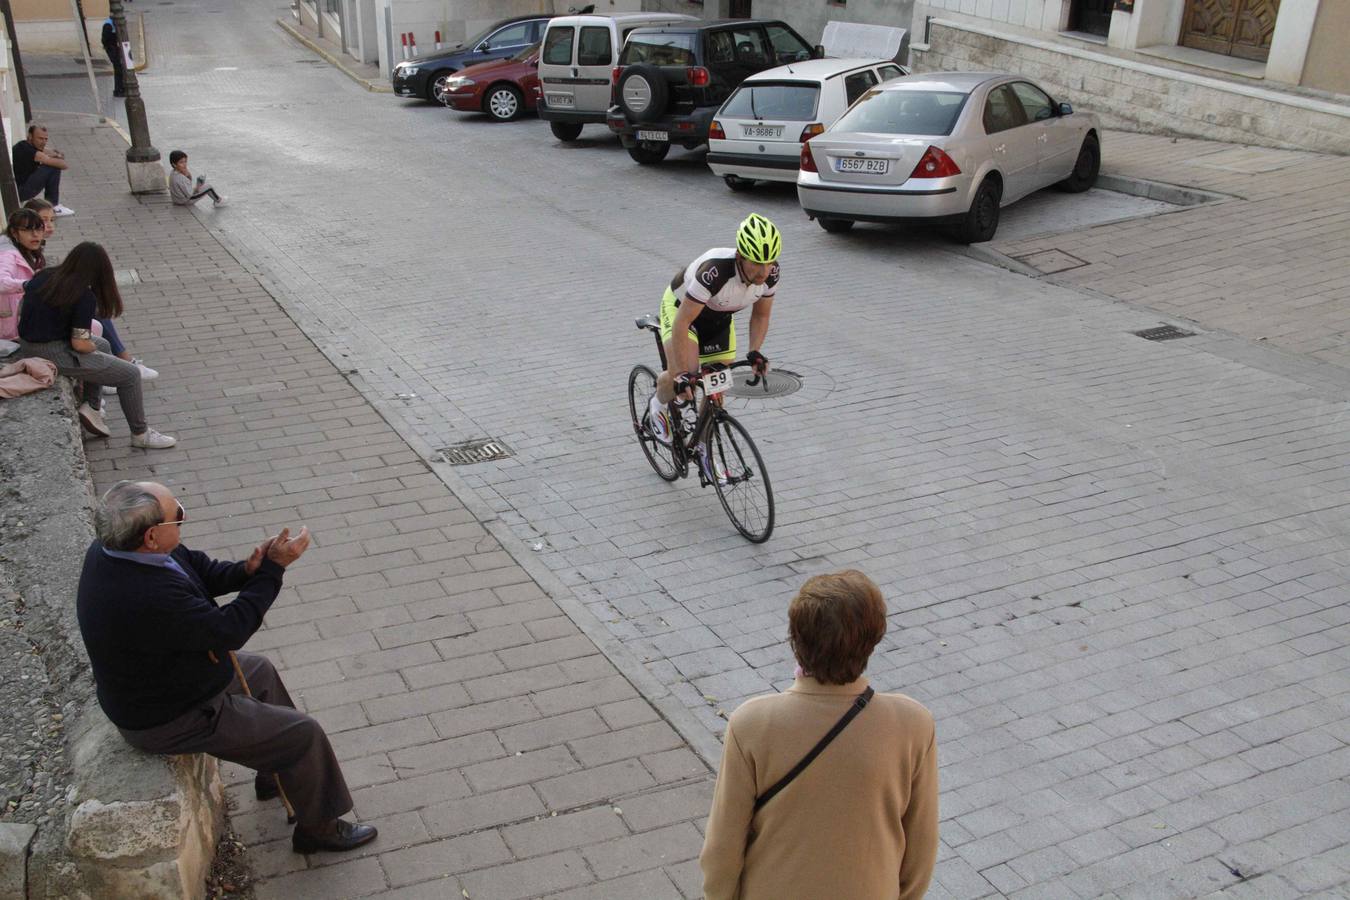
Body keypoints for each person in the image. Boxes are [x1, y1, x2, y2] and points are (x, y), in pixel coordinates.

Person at [77, 481, 378, 855]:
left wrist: (247, 570)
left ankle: (276, 772)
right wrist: (273, 571)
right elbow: (228, 630)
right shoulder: (144, 594)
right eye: (179, 516)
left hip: (176, 677)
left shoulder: (120, 549)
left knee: (261, 672)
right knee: (304, 734)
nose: (183, 521)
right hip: (170, 714)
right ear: (152, 535)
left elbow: (196, 571)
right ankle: (318, 829)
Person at [699, 570, 939, 900]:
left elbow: (722, 850)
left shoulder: (751, 724)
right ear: (873, 639)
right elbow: (921, 850)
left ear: (796, 640)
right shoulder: (913, 724)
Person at [16, 241, 175, 448]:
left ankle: (92, 407)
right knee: (130, 375)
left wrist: (96, 348)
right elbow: (81, 344)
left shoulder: (44, 276)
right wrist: (92, 349)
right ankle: (140, 434)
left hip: (29, 343)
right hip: (52, 351)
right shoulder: (82, 295)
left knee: (104, 345)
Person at [645, 213, 778, 445]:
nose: (763, 271)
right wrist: (682, 375)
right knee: (684, 375)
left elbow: (761, 314)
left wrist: (755, 350)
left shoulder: (771, 275)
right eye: (756, 262)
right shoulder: (714, 272)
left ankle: (705, 449)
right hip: (681, 311)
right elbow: (683, 322)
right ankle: (657, 403)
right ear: (740, 257)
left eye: (769, 262)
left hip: (717, 317)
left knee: (717, 382)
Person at [23, 197, 158, 382]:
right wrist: (23, 284)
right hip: (45, 342)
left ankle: (102, 387)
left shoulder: (38, 255)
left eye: (51, 220)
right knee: (123, 368)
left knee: (98, 335)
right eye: (42, 222)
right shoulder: (82, 294)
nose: (48, 226)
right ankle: (120, 367)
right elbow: (80, 343)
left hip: (34, 334)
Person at [0, 209, 44, 342]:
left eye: (39, 229)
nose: (35, 234)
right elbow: (1, 281)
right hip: (10, 331)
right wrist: (27, 284)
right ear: (14, 232)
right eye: (27, 230)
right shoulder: (7, 254)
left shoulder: (27, 250)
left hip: (21, 321)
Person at [12, 124, 75, 216]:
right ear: (30, 136)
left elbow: (54, 153)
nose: (44, 142)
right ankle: (53, 206)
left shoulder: (26, 145)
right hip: (20, 191)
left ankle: (52, 205)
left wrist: (56, 155)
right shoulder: (27, 150)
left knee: (52, 164)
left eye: (46, 139)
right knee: (53, 167)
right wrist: (56, 158)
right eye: (40, 138)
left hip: (19, 188)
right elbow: (64, 165)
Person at [101, 16, 126, 97]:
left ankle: (120, 88)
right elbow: (105, 39)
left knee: (119, 68)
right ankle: (118, 90)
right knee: (118, 68)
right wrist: (111, 47)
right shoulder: (108, 25)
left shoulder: (112, 23)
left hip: (114, 48)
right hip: (112, 49)